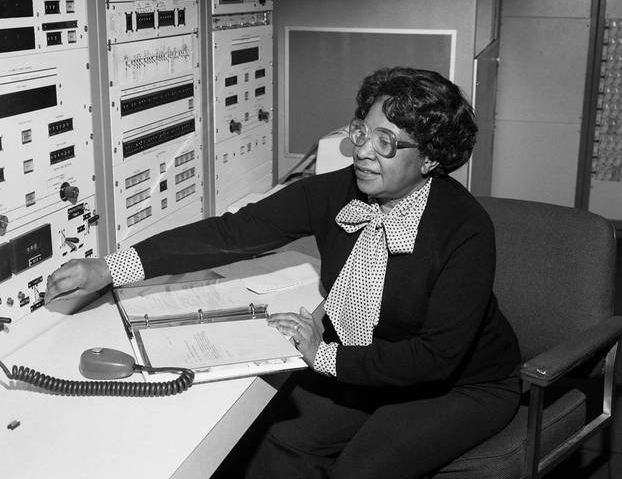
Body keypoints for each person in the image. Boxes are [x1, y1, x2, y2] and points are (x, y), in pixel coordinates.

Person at [46, 67, 521, 478]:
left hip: (460, 385)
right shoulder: (334, 192)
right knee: (280, 441)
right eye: (362, 130)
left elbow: (436, 356)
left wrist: (324, 357)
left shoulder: (465, 230)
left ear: (431, 159)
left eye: (387, 142)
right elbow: (232, 234)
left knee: (361, 471)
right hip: (368, 360)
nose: (362, 151)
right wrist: (109, 267)